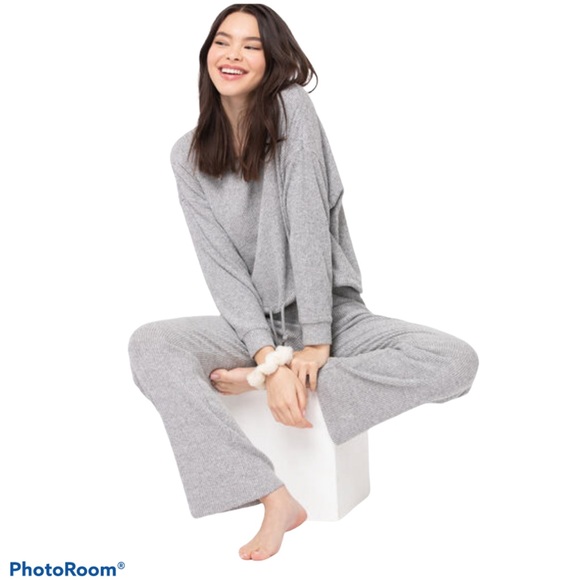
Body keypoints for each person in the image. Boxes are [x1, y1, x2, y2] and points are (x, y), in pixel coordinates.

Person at [128, 3, 478, 561]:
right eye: (222, 42)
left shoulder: (291, 109)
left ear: (272, 60)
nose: (233, 55)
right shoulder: (187, 156)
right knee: (151, 344)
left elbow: (308, 227)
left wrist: (311, 347)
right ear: (207, 54)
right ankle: (272, 496)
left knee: (455, 362)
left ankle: (265, 381)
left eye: (251, 46)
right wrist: (268, 359)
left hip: (331, 318)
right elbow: (221, 269)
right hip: (253, 330)